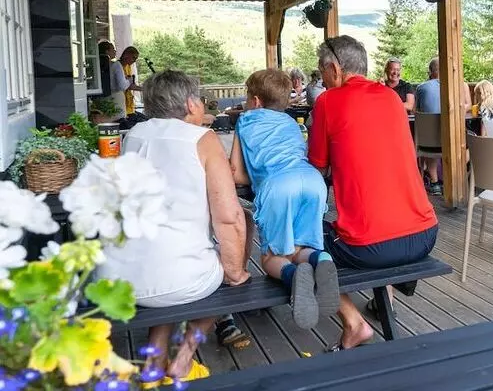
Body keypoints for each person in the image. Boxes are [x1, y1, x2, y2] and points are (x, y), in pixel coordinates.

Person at [96, 70, 252, 383]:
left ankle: (155, 358)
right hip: (178, 280)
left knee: (163, 257)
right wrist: (235, 273)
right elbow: (228, 217)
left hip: (117, 279)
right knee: (233, 246)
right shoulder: (203, 139)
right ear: (192, 104)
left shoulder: (135, 135)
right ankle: (184, 358)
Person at [308, 35, 438, 351]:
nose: (323, 79)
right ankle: (385, 302)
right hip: (424, 234)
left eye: (322, 72)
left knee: (301, 241)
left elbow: (318, 164)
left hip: (372, 247)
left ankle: (354, 323)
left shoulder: (328, 101)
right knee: (380, 213)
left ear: (335, 69)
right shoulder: (393, 98)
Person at [229, 69, 337, 330]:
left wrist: (255, 177)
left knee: (272, 257)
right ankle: (321, 260)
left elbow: (235, 172)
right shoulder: (291, 122)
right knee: (301, 247)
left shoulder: (245, 120)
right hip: (312, 181)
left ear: (255, 101)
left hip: (278, 185)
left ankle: (291, 276)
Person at [414, 57, 472, 195]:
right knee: (468, 142)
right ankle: (453, 178)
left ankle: (434, 183)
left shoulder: (421, 88)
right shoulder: (459, 84)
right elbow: (468, 104)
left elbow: (415, 110)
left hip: (428, 142)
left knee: (429, 137)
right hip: (452, 140)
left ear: (431, 71)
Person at [121, 46, 142, 116]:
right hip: (123, 106)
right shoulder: (118, 66)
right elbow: (128, 86)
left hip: (130, 107)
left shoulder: (128, 66)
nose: (134, 61)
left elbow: (131, 83)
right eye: (133, 58)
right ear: (126, 55)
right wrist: (145, 89)